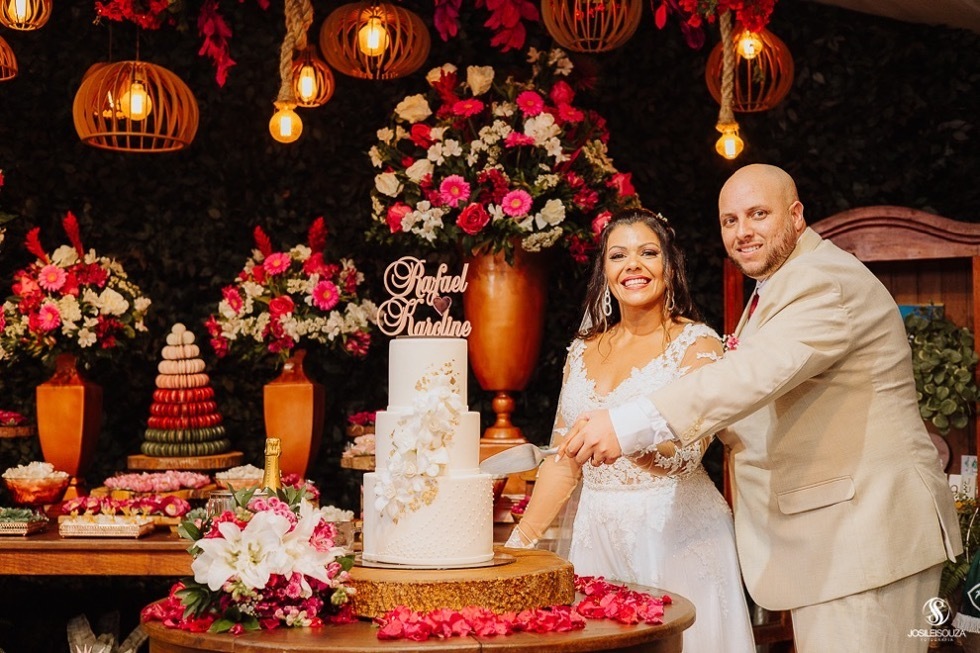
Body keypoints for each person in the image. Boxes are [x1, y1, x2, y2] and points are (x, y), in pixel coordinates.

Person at [557, 164, 962, 652]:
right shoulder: (779, 285)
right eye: (730, 221)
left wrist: (630, 423)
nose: (743, 231)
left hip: (866, 537)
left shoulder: (822, 281)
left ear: (795, 215)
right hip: (836, 542)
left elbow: (752, 375)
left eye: (758, 214)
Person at [505, 207, 756, 653]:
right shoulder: (582, 351)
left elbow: (688, 453)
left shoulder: (696, 343)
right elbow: (565, 461)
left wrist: (629, 443)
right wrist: (519, 546)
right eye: (618, 255)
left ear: (669, 266)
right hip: (595, 535)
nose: (633, 265)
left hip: (675, 534)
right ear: (605, 271)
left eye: (648, 252)